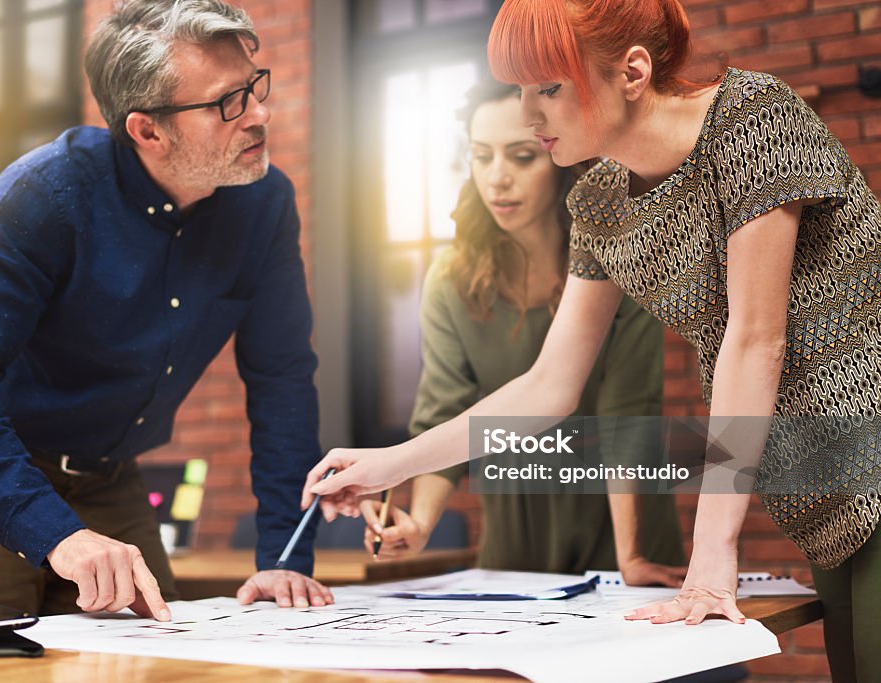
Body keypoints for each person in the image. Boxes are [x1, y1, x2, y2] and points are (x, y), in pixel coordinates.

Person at [304, 0, 881, 679]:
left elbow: (757, 341)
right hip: (824, 489)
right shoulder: (600, 203)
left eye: (548, 87)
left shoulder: (751, 119)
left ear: (633, 72)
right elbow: (547, 385)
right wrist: (390, 463)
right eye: (521, 89)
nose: (528, 113)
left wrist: (711, 553)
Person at [0, 0, 333, 620]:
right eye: (227, 102)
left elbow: (282, 380)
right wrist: (57, 535)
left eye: (254, 87)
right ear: (147, 130)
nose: (260, 114)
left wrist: (283, 557)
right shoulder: (43, 196)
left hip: (111, 479)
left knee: (160, 659)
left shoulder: (264, 204)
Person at [360, 77, 685, 584]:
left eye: (521, 157)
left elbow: (628, 409)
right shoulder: (451, 278)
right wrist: (419, 523)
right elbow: (442, 408)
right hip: (515, 524)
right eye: (481, 155)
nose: (497, 179)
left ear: (560, 157)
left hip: (622, 519)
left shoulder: (617, 250)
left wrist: (632, 557)